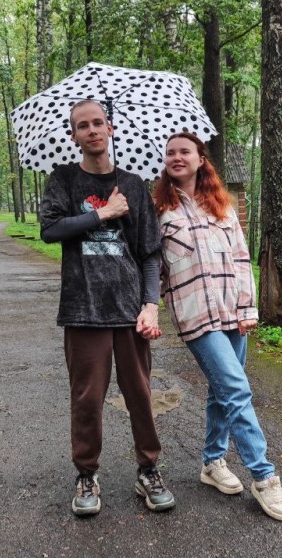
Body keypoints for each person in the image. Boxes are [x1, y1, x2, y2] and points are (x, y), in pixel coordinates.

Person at [40, 99, 174, 517]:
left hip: (130, 310)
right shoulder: (64, 179)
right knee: (87, 399)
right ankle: (86, 474)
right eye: (83, 125)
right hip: (83, 308)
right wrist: (104, 213)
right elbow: (50, 230)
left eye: (98, 122)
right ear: (74, 135)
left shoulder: (133, 185)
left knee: (141, 396)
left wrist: (151, 304)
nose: (92, 130)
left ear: (110, 128)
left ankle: (148, 469)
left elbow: (149, 253)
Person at [153, 131, 282, 522]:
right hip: (196, 315)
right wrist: (155, 304)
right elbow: (152, 266)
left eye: (185, 151)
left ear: (201, 159)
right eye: (170, 153)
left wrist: (248, 307)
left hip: (233, 310)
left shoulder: (222, 207)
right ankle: (264, 476)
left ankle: (212, 462)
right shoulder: (159, 211)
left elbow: (241, 259)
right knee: (235, 388)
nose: (176, 157)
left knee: (222, 390)